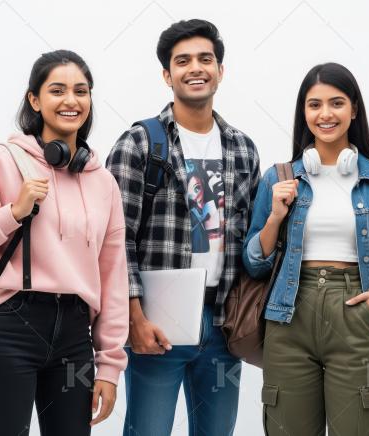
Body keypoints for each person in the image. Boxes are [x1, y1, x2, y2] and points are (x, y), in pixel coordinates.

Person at [0, 50, 128, 436]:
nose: (71, 101)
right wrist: (12, 212)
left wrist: (109, 366)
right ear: (34, 100)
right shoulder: (3, 161)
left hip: (75, 336)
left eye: (81, 91)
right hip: (10, 328)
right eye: (57, 90)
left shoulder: (103, 182)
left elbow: (113, 276)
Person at [243, 62, 369, 436]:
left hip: (356, 313)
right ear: (303, 114)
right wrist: (274, 217)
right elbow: (254, 263)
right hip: (288, 316)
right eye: (314, 104)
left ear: (354, 109)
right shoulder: (279, 178)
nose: (325, 114)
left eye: (336, 103)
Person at [105, 19, 260, 436]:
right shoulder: (138, 143)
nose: (196, 68)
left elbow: (248, 242)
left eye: (205, 59)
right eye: (183, 60)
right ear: (167, 74)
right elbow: (114, 243)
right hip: (158, 322)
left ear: (220, 70)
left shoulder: (243, 149)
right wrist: (134, 317)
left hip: (224, 322)